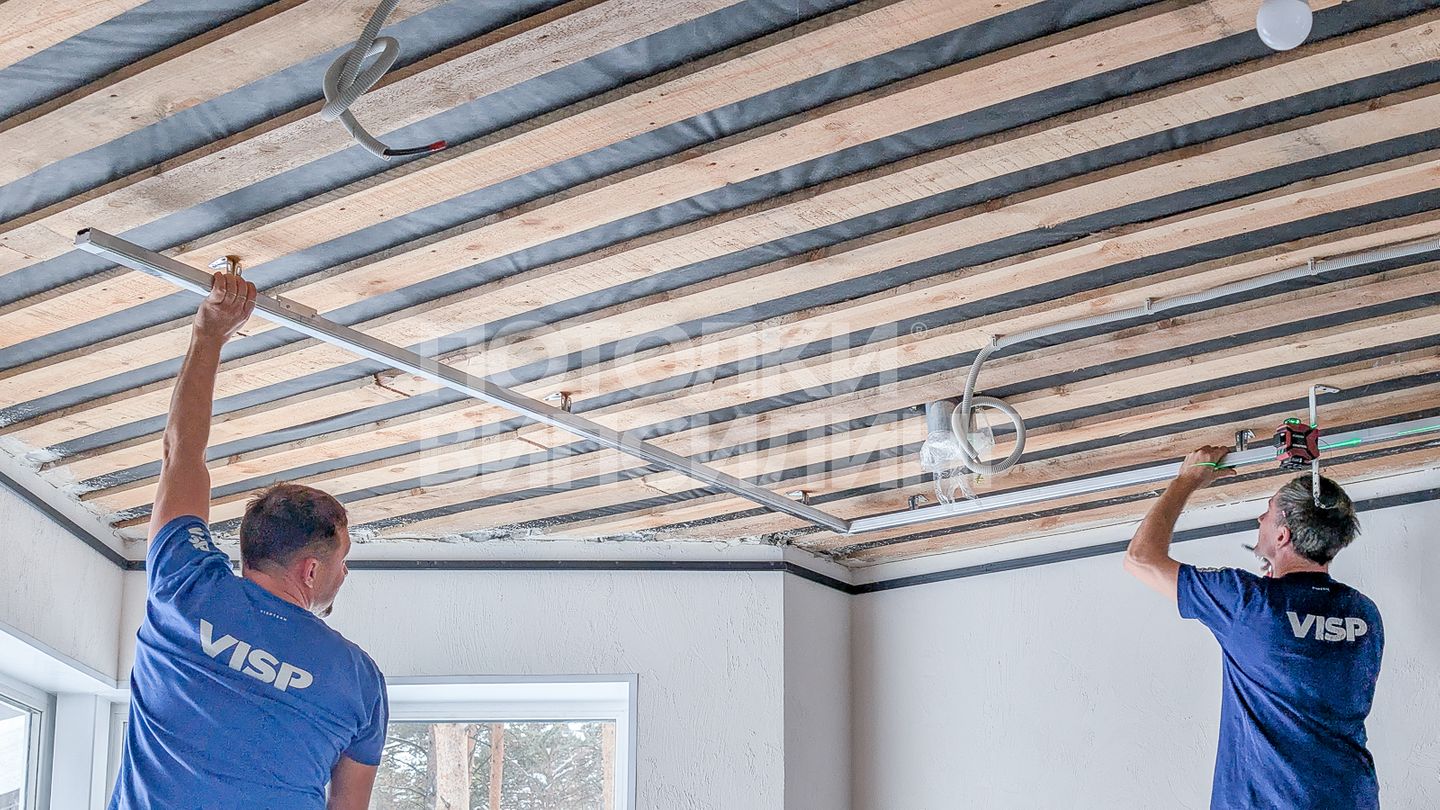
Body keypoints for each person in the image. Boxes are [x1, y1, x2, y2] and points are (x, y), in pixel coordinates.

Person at [109, 272, 388, 809]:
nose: (345, 573)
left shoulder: (184, 585)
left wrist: (208, 333)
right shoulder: (359, 680)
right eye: (342, 560)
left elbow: (181, 455)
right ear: (311, 570)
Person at [1123, 445, 1383, 810]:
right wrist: (1277, 583)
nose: (1260, 518)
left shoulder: (1248, 603)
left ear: (1282, 537)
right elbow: (1303, 657)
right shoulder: (1364, 615)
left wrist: (1187, 480)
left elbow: (1141, 559)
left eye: (1268, 512)